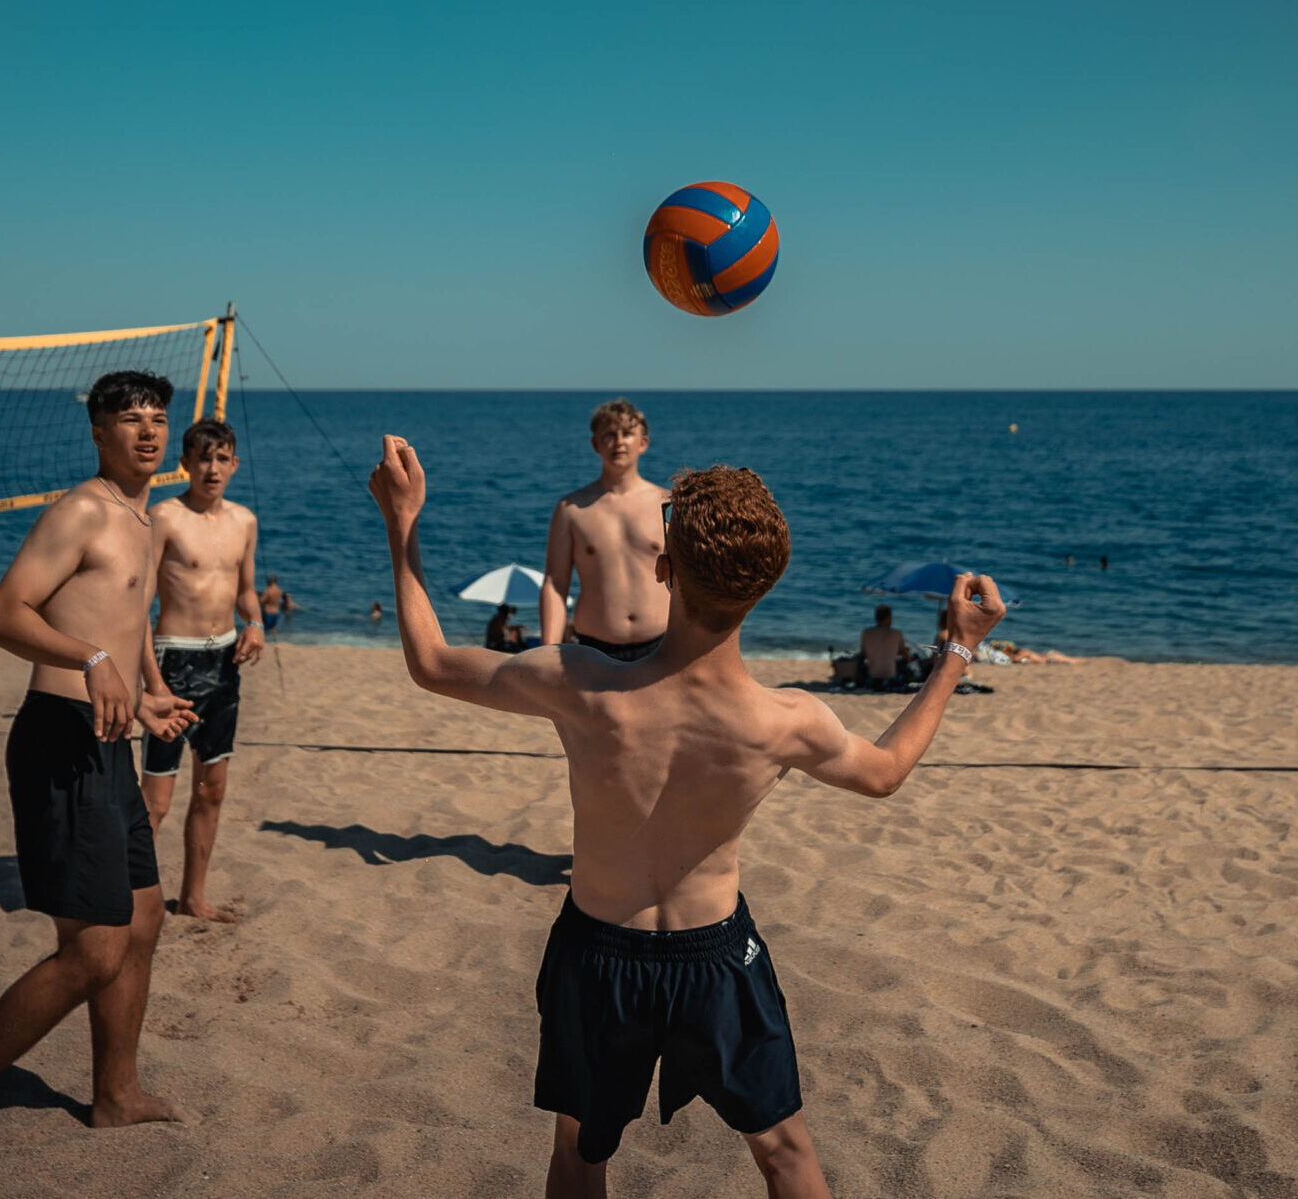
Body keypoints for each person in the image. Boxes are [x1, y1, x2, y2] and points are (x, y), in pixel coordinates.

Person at [368, 435, 1005, 1197]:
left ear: (662, 570)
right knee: (787, 1156)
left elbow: (431, 663)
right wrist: (957, 652)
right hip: (716, 961)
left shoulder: (577, 681)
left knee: (579, 1154)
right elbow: (886, 772)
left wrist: (402, 524)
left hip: (597, 953)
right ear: (765, 586)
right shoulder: (783, 720)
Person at [0, 371, 198, 1196]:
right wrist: (93, 662)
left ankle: (113, 1094)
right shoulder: (82, 510)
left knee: (144, 918)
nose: (147, 433)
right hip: (59, 738)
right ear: (97, 433)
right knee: (93, 948)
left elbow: (123, 616)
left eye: (157, 420)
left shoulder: (144, 522)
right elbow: (2, 614)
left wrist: (144, 690)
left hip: (111, 737)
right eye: (128, 420)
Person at [142, 418, 264, 924]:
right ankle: (134, 901)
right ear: (186, 463)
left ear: (234, 464)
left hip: (225, 661)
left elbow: (245, 589)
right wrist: (150, 680)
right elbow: (136, 603)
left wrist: (255, 622)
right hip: (175, 659)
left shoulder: (245, 522)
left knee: (211, 789)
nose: (212, 468)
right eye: (203, 458)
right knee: (157, 800)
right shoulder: (163, 517)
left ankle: (192, 897)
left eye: (222, 458)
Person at [540, 399, 668, 660]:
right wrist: (547, 651)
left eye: (627, 433)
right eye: (609, 434)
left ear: (643, 442)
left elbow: (691, 581)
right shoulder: (571, 509)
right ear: (595, 444)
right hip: (595, 649)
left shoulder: (666, 504)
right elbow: (555, 583)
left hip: (663, 646)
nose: (618, 441)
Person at [858, 606, 910, 685]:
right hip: (890, 675)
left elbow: (863, 654)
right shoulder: (896, 633)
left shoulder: (866, 632)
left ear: (876, 618)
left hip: (872, 675)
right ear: (889, 618)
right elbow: (906, 656)